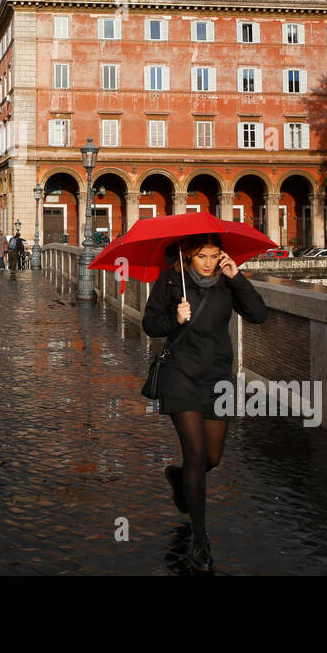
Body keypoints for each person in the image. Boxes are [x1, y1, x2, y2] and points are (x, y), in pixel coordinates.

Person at [140, 233, 266, 572]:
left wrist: (237, 277)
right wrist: (175, 319)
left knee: (211, 457)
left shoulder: (227, 282)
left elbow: (259, 314)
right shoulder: (171, 279)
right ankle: (200, 541)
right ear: (188, 255)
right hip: (180, 376)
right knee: (195, 455)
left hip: (217, 378)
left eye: (213, 256)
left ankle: (178, 478)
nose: (208, 262)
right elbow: (150, 323)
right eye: (202, 256)